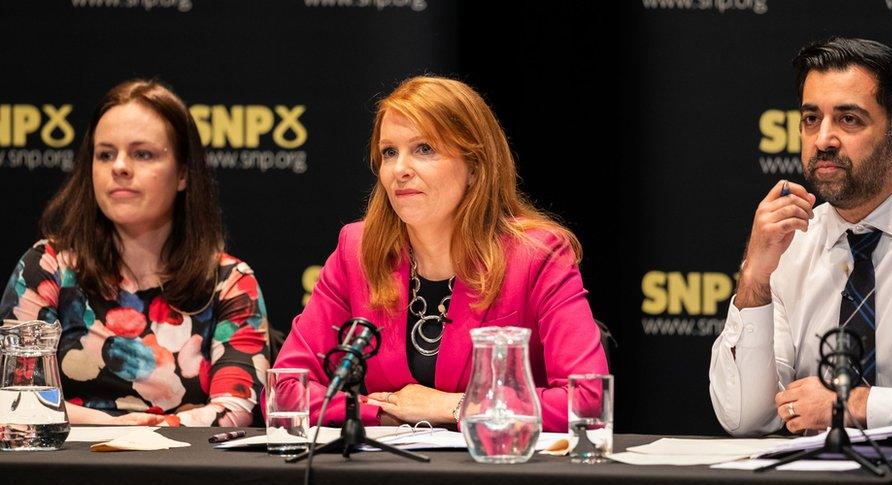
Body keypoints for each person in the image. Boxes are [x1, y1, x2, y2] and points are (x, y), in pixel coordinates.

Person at [271, 76, 608, 432]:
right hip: (386, 478)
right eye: (389, 152)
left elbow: (586, 400)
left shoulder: (537, 256)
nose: (400, 169)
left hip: (498, 474)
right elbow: (285, 388)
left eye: (424, 149)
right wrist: (383, 414)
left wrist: (456, 406)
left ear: (475, 168)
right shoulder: (357, 250)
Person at [709, 37, 892, 436]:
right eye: (811, 119)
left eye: (849, 119)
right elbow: (745, 417)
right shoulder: (791, 245)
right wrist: (754, 282)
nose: (823, 140)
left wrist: (857, 405)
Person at [0, 79, 270, 426]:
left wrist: (154, 433)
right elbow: (14, 397)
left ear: (184, 174)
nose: (120, 167)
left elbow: (238, 409)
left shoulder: (229, 282)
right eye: (105, 154)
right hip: (67, 474)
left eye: (142, 154)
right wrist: (114, 427)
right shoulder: (47, 267)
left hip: (187, 475)